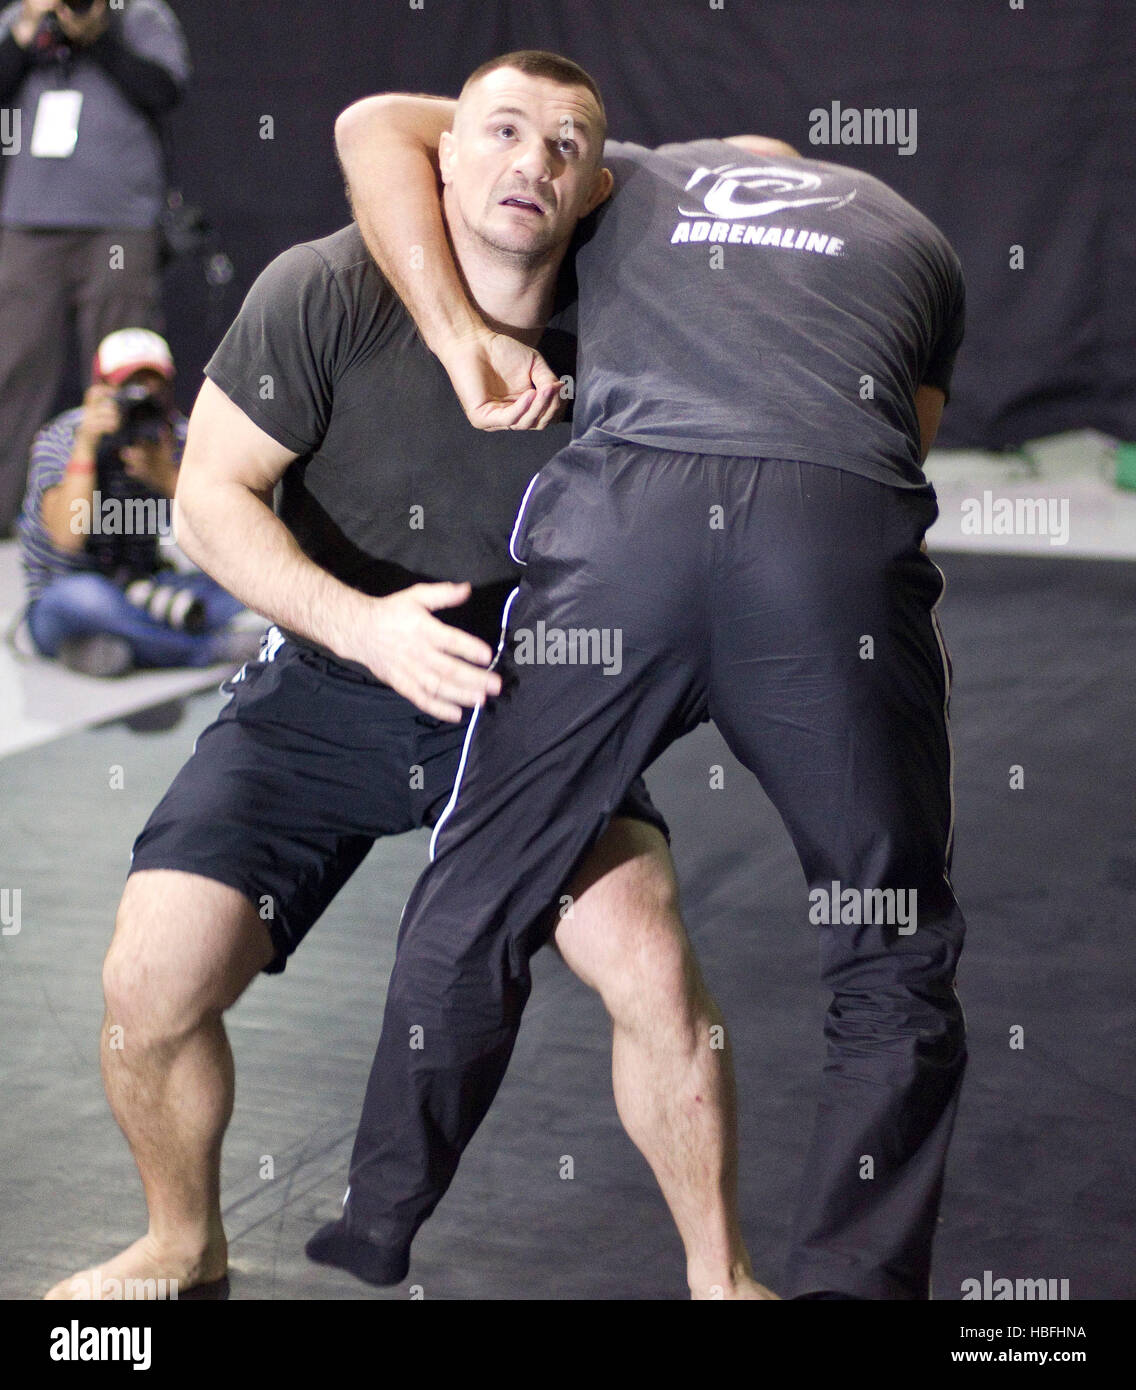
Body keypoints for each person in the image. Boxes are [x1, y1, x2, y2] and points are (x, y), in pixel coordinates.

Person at [45, 53, 776, 1301]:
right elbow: (213, 502)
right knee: (148, 978)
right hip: (332, 662)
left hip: (528, 699)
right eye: (497, 132)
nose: (528, 164)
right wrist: (362, 625)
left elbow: (760, 171)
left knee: (649, 961)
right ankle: (181, 1244)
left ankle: (723, 1280)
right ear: (440, 152)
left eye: (563, 147)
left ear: (596, 187)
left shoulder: (631, 307)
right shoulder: (327, 286)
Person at [311, 55, 968, 1301]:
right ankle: (852, 1282)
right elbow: (904, 447)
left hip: (629, 534)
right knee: (889, 947)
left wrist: (459, 345)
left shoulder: (626, 183)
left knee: (487, 876)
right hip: (825, 542)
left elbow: (373, 124)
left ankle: (378, 1215)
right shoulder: (912, 232)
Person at [0, 0, 190, 534]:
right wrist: (24, 32)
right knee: (13, 368)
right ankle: (4, 510)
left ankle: (121, 513)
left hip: (119, 222)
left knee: (126, 371)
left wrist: (99, 36)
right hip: (30, 222)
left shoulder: (141, 16)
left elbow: (165, 91)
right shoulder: (23, 16)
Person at [16, 327, 257, 676]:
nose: (143, 398)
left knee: (247, 580)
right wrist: (86, 448)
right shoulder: (63, 437)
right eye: (131, 389)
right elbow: (67, 539)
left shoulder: (179, 437)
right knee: (89, 600)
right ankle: (205, 649)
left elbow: (235, 531)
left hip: (145, 586)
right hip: (66, 592)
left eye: (153, 387)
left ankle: (114, 646)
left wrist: (167, 479)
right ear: (101, 392)